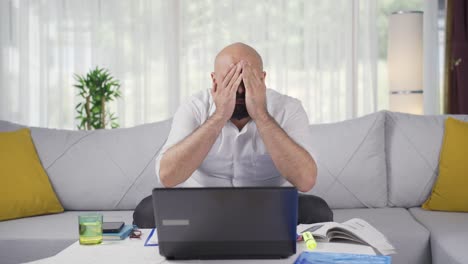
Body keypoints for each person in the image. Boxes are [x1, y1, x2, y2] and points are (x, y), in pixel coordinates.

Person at [133, 43, 332, 228]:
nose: (239, 90)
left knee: (317, 210)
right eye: (230, 80)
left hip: (269, 206)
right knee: (147, 210)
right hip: (202, 206)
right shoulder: (194, 107)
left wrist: (261, 115)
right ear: (214, 80)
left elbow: (306, 181)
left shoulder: (288, 108)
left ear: (262, 79)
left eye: (246, 80)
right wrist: (219, 116)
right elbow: (168, 177)